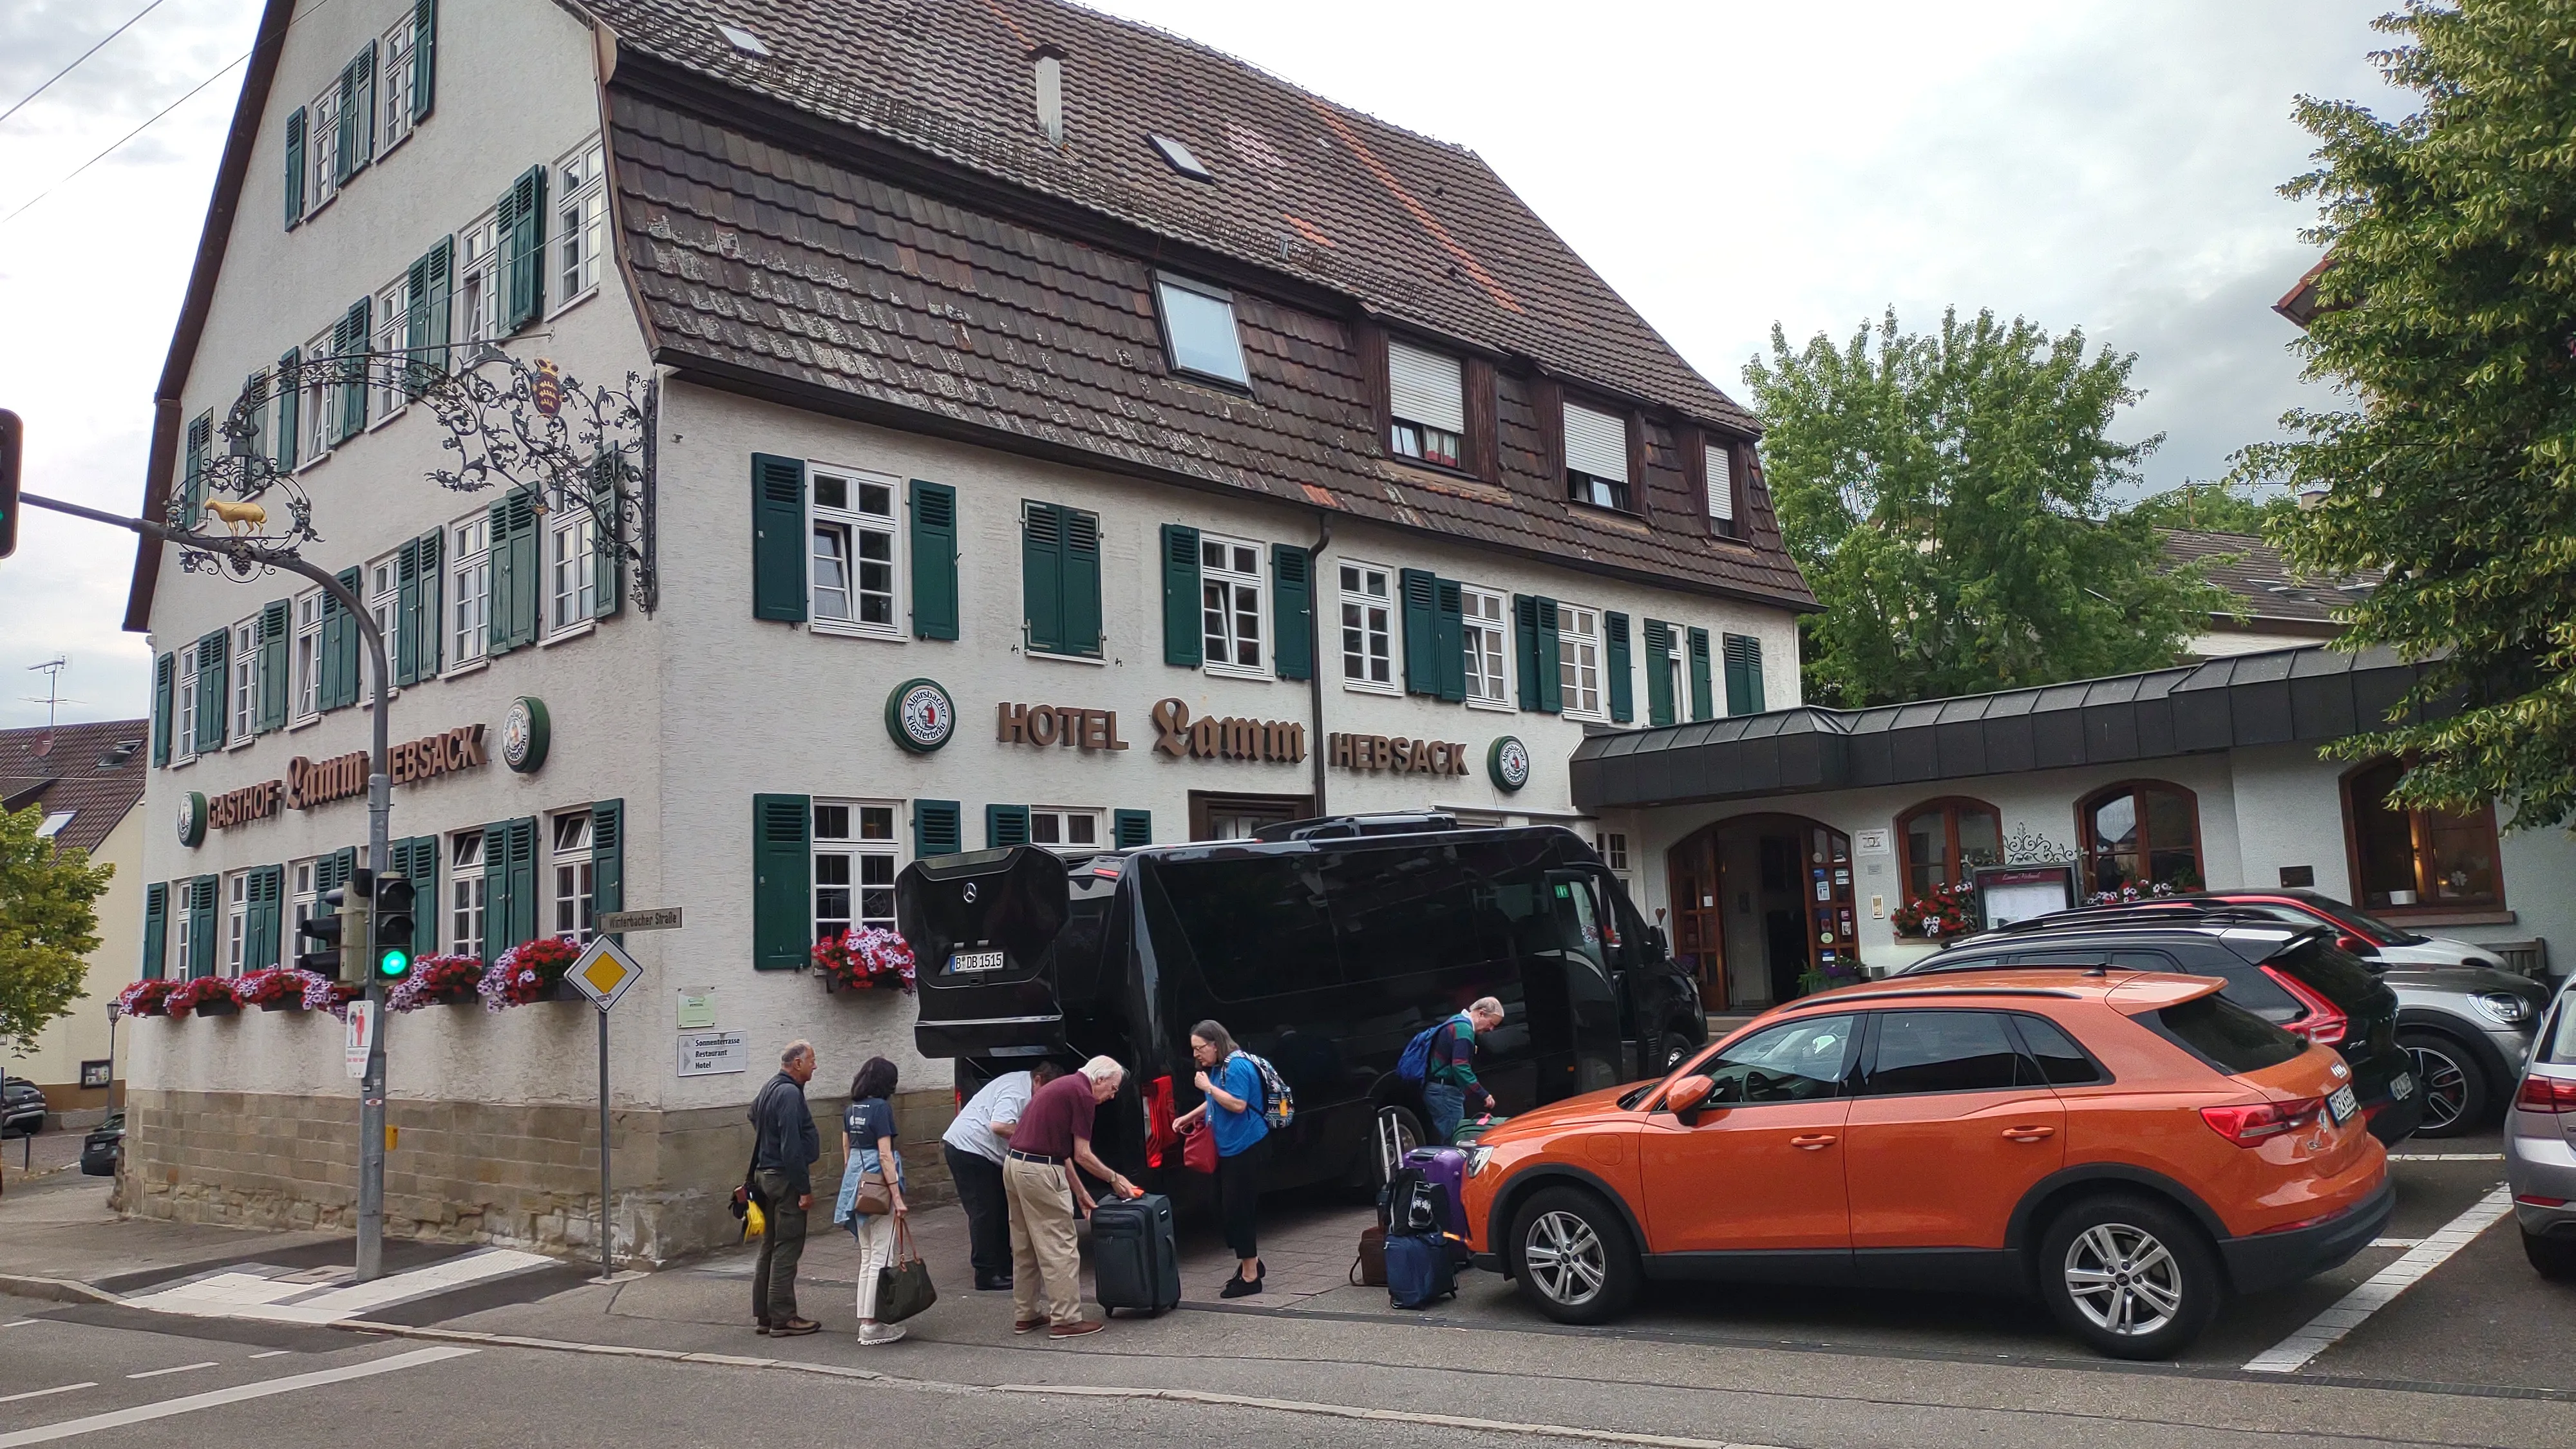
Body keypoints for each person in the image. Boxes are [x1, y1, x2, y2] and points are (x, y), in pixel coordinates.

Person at [1004, 1055, 1140, 1340]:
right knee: (1061, 1246)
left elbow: (1061, 1153)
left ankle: (1026, 1315)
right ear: (1100, 1079)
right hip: (1039, 1172)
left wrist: (1081, 1193)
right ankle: (1065, 1320)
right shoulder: (1082, 1094)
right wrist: (1115, 1178)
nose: (1112, 1096)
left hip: (1016, 1165)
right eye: (1113, 1089)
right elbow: (1083, 1154)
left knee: (1025, 1245)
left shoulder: (1062, 1087)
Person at [942, 1060, 1063, 1291]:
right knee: (984, 1212)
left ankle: (1004, 1267)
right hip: (970, 1151)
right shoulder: (1015, 1091)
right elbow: (999, 1125)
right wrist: (1032, 1135)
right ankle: (986, 1273)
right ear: (1038, 1080)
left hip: (983, 1153)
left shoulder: (1025, 1087)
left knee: (999, 1210)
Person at [1173, 1021, 1267, 1298]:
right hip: (1228, 1148)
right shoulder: (1218, 1068)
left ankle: (1251, 1276)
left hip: (1247, 1147)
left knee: (1240, 1209)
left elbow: (1237, 1104)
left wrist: (1208, 1087)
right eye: (1194, 1050)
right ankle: (1252, 1263)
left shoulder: (1236, 1066)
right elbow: (1215, 1101)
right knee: (1222, 1208)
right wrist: (1190, 1116)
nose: (1196, 1055)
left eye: (1199, 1048)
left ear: (1215, 1044)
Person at [836, 1056, 910, 1346]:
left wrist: (854, 1185)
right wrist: (897, 1196)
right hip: (879, 1187)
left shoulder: (851, 1109)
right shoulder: (881, 1109)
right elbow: (884, 1155)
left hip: (856, 1185)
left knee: (867, 1255)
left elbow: (846, 1148)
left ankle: (865, 1319)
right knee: (881, 1254)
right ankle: (872, 1324)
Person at [750, 1039, 821, 1336]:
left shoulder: (770, 1087)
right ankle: (783, 1317)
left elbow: (752, 1114)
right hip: (785, 1178)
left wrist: (769, 1141)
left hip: (765, 1174)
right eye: (811, 1060)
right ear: (797, 1064)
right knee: (787, 1247)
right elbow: (792, 1145)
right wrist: (804, 1188)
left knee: (770, 1245)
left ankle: (764, 1315)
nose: (815, 1066)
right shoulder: (790, 1094)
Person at [1423, 998, 1504, 1144]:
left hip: (1438, 1089)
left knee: (1447, 1136)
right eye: (1491, 1023)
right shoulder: (1464, 1030)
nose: (1491, 1029)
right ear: (1481, 1014)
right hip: (1445, 1092)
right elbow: (1461, 1067)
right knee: (1454, 1139)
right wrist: (1483, 1094)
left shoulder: (1456, 1020)